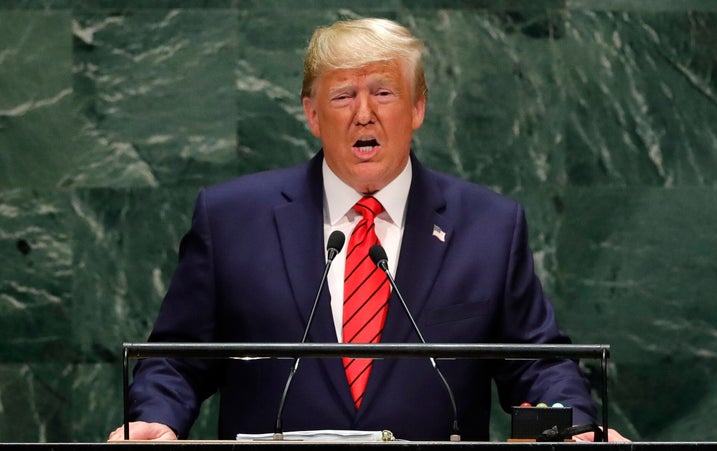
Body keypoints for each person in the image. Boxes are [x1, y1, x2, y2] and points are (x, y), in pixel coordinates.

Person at [109, 18, 627, 442]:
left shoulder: (488, 226)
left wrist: (573, 427)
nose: (364, 114)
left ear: (418, 107)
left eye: (383, 92)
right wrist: (156, 417)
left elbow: (537, 364)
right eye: (342, 96)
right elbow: (177, 359)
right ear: (312, 114)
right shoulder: (231, 218)